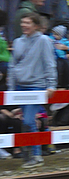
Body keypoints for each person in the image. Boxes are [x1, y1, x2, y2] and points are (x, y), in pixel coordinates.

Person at [8, 12, 56, 168]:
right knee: (27, 122)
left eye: (27, 22)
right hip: (21, 86)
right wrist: (12, 89)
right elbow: (12, 66)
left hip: (36, 86)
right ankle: (33, 154)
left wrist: (51, 84)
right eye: (22, 22)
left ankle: (34, 154)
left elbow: (49, 63)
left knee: (29, 120)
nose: (24, 25)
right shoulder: (18, 41)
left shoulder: (44, 41)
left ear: (35, 25)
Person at [49, 25, 69, 89]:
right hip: (54, 58)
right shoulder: (50, 39)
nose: (54, 35)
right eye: (53, 33)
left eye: (56, 34)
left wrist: (66, 47)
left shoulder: (65, 41)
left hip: (63, 58)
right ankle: (57, 82)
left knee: (66, 65)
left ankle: (67, 82)